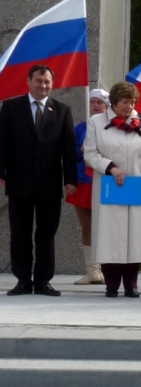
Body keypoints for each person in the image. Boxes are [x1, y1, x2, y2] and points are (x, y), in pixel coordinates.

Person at [0, 64, 78, 296]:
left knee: (46, 234)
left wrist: (71, 179)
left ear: (52, 84)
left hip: (50, 184)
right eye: (39, 81)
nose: (43, 86)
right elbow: (2, 143)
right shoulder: (11, 107)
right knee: (20, 234)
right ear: (29, 81)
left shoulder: (62, 110)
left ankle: (43, 281)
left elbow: (69, 149)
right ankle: (23, 281)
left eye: (47, 82)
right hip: (19, 181)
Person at [82, 81, 141, 298]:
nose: (130, 106)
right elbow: (89, 154)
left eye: (133, 102)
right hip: (111, 184)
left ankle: (131, 284)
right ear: (114, 102)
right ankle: (111, 285)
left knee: (134, 235)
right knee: (111, 235)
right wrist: (111, 168)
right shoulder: (97, 123)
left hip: (137, 184)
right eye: (125, 102)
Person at [70, 89, 109, 286]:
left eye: (99, 102)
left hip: (106, 183)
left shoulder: (113, 126)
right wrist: (81, 150)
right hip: (84, 181)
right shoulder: (81, 128)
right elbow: (70, 154)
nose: (95, 105)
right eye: (92, 102)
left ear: (107, 105)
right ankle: (92, 270)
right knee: (88, 228)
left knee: (108, 227)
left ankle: (109, 270)